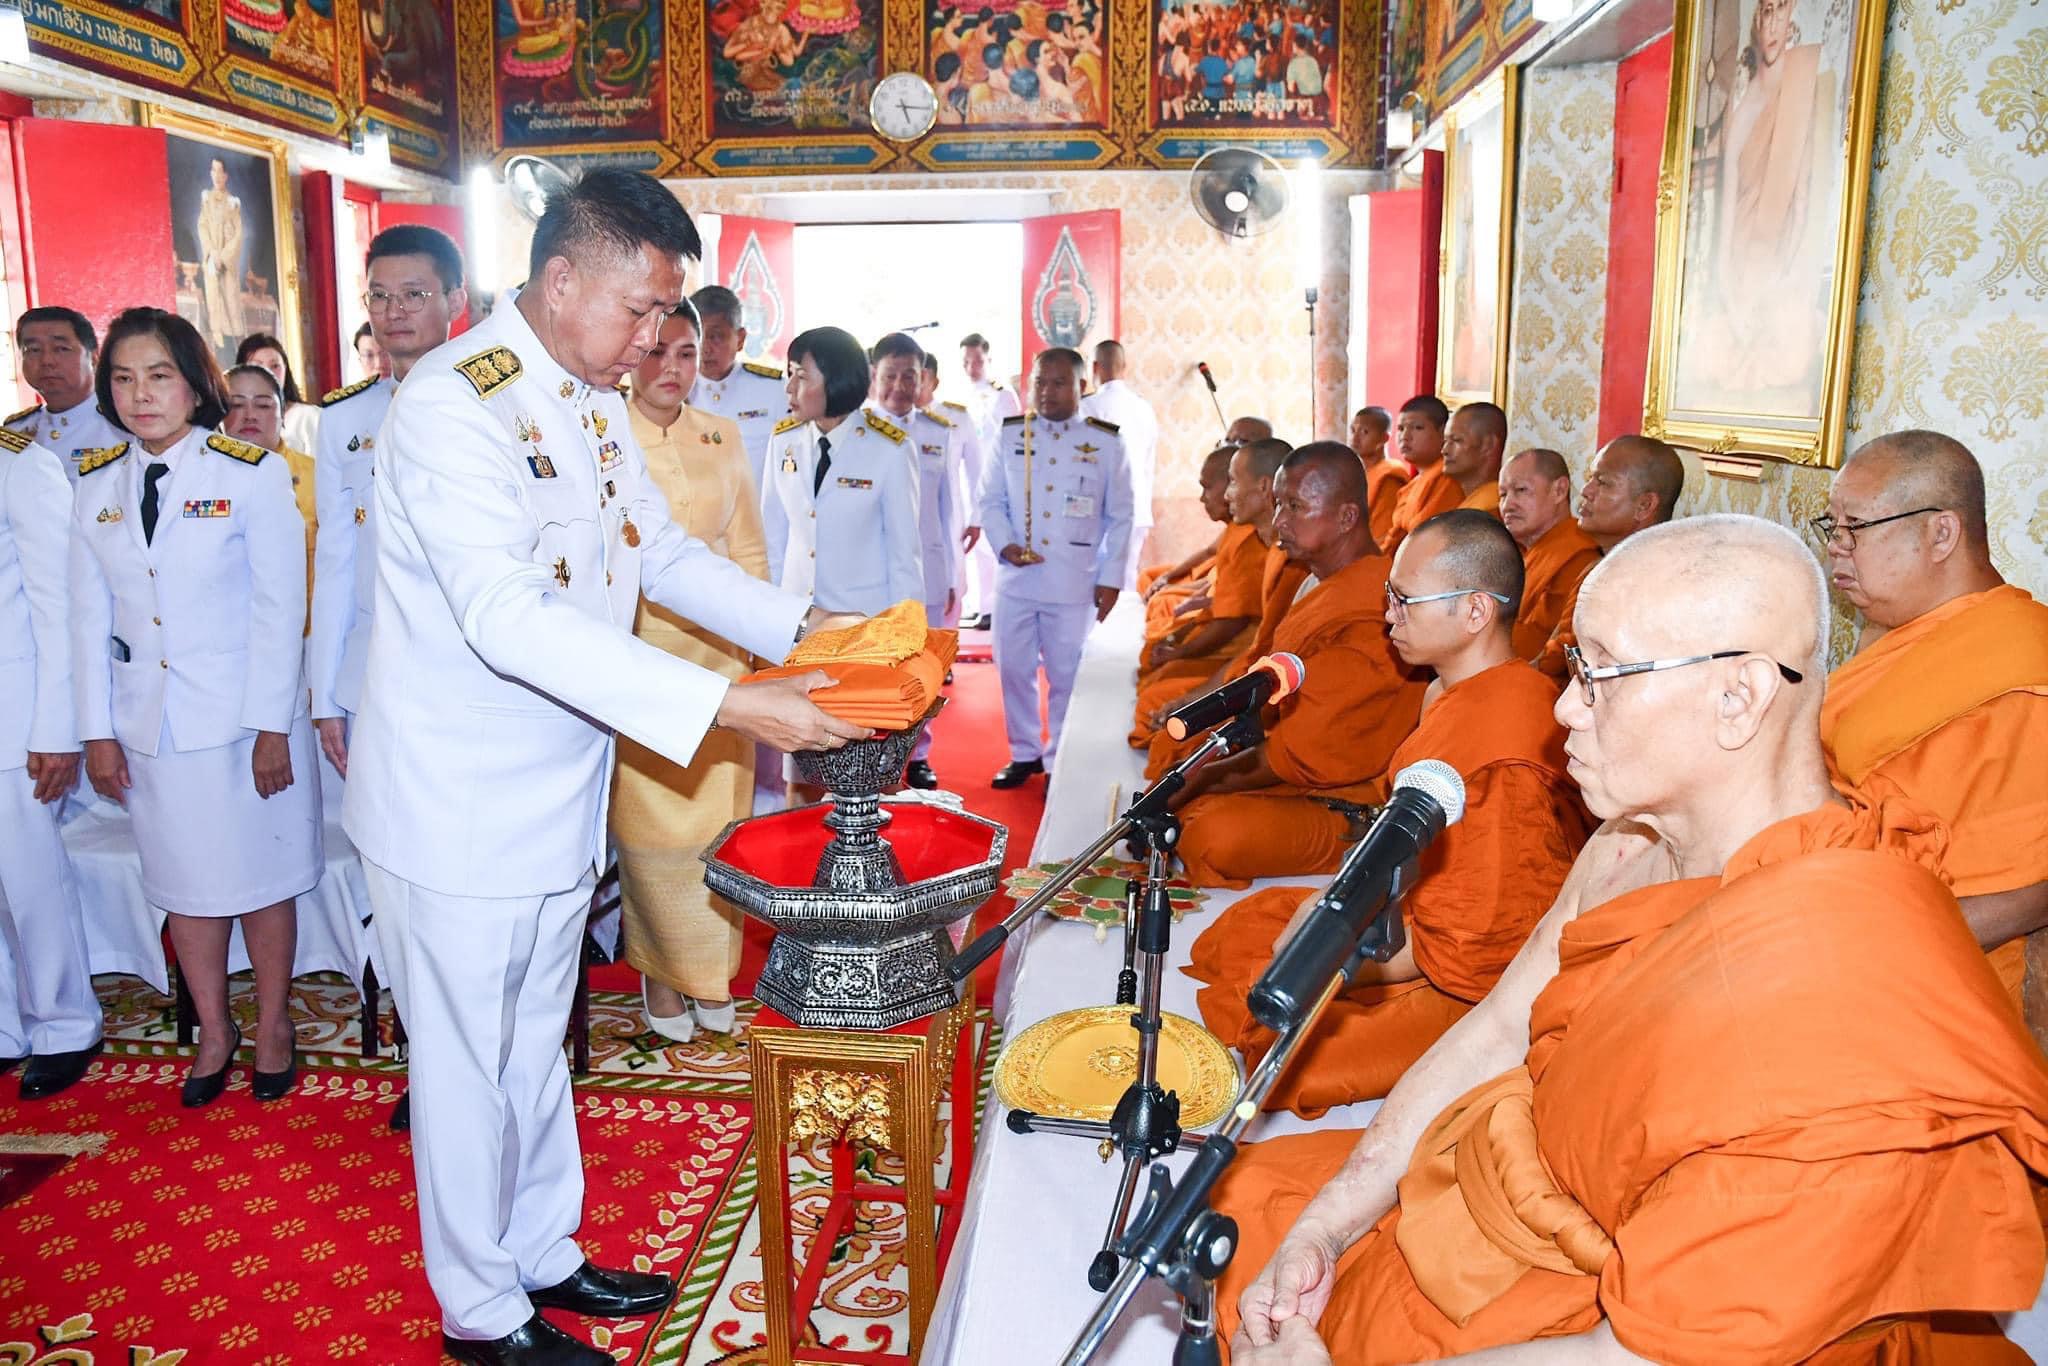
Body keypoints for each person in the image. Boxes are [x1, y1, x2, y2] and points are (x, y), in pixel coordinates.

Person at [1215, 514, 2048, 1364]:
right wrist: (1333, 1216)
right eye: (1575, 666)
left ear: (1741, 696)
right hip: (1520, 1186)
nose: (1566, 706)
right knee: (1250, 1206)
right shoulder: (1632, 840)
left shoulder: (1847, 1011)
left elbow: (1647, 1355)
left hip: (1647, 1314)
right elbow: (1502, 1028)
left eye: (1602, 671)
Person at [342, 169, 867, 1364]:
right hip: (457, 808)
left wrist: (806, 633)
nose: (652, 340)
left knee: (535, 1038)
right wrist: (727, 699)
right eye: (639, 311)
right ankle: (482, 1312)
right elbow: (507, 614)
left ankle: (542, 1252)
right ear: (562, 278)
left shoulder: (581, 396)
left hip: (553, 792)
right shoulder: (453, 405)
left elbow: (661, 551)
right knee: (468, 1065)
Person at [1185, 509, 1588, 1116]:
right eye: (1388, 596)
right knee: (1244, 935)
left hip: (1477, 979)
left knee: (1282, 1060)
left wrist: (1355, 962)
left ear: (1474, 611)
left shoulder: (1515, 738)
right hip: (1417, 915)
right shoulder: (1442, 692)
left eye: (1405, 600)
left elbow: (1490, 936)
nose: (1389, 616)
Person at [72, 308, 318, 1110]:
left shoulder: (248, 472)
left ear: (193, 382)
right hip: (148, 727)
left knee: (260, 880)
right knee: (184, 887)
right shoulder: (94, 482)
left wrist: (273, 725)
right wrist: (96, 731)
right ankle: (216, 1030)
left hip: (242, 725)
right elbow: (86, 622)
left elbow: (281, 609)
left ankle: (274, 1024)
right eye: (123, 379)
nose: (141, 396)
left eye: (159, 376)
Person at [1817, 430, 2048, 1016]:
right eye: (1832, 528)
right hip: (1830, 889)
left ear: (1941, 532)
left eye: (1856, 529)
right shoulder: (1895, 627)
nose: (1836, 550)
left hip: (1922, 963)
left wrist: (1841, 944)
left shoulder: (2025, 671)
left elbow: (2027, 894)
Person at [1163, 443, 1426, 886]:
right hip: (1293, 757)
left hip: (1349, 794)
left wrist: (1201, 779)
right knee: (1177, 758)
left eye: (1296, 507)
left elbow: (1313, 747)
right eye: (1279, 504)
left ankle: (1354, 842)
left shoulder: (1375, 606)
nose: (1280, 520)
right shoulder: (1313, 578)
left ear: (1346, 517)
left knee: (1208, 834)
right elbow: (1265, 671)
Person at [614, 297, 766, 1043]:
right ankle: (659, 976)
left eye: (685, 353)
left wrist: (764, 660)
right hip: (636, 663)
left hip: (723, 670)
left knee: (718, 832)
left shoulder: (723, 434)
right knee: (652, 840)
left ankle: (713, 977)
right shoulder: (604, 434)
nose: (671, 369)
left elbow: (749, 553)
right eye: (656, 352)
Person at [310, 224, 468, 804]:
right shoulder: (344, 420)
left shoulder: (495, 405)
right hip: (373, 673)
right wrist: (326, 694)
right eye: (379, 296)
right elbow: (335, 565)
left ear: (456, 301)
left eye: (414, 294)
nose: (394, 311)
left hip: (468, 671)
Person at [0, 423, 100, 1099]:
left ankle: (64, 1024)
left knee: (30, 886)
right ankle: (6, 1027)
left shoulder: (21, 467)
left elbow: (58, 605)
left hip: (15, 714)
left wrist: (58, 728)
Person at [978, 346, 1132, 788]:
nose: (1046, 392)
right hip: (1017, 578)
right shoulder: (1010, 434)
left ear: (1082, 387)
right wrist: (1004, 545)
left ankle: (1058, 759)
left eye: (1058, 382)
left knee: (1067, 674)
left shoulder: (1105, 441)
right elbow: (991, 500)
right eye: (1039, 382)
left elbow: (1121, 513)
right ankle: (1024, 752)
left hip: (1072, 580)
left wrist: (1111, 578)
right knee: (1012, 668)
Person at [1131, 439, 1288, 747]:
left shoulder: (1290, 562)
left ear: (1265, 486)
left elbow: (1254, 642)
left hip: (1260, 678)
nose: (1228, 494)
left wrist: (1198, 694)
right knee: (1157, 688)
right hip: (1248, 665)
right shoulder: (1272, 550)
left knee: (1159, 711)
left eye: (1233, 482)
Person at [760, 327, 923, 617]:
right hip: (794, 622)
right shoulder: (783, 441)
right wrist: (765, 617)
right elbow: (772, 538)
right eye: (789, 374)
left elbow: (904, 559)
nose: (788, 388)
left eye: (801, 376)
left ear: (836, 380)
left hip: (861, 625)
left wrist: (905, 636)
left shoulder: (889, 450)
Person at [1536, 434, 1684, 674]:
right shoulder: (1601, 567)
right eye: (1590, 479)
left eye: (1603, 483)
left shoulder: (1642, 582)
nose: (1586, 491)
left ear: (1645, 506)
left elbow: (1554, 669)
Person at [222, 364, 316, 631]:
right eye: (236, 405)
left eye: (263, 405)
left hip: (307, 633)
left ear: (283, 414)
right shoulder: (200, 482)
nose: (250, 416)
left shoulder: (318, 478)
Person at [1498, 447, 1600, 673]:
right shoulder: (1524, 553)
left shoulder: (1579, 554)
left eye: (1521, 490)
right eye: (1503, 495)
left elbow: (1560, 655)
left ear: (1559, 490)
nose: (1508, 505)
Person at [687, 285, 788, 490]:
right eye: (698, 336)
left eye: (716, 336)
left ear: (740, 339)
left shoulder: (774, 391)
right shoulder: (673, 393)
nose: (705, 347)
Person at [7, 307, 126, 481]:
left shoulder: (122, 423)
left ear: (93, 357)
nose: (47, 361)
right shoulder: (15, 431)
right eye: (33, 350)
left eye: (61, 349)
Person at [1080, 339, 1160, 587]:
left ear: (1094, 368)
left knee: (1095, 582)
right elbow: (1149, 462)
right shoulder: (1144, 408)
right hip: (1137, 506)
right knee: (1126, 579)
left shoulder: (1088, 406)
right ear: (1124, 366)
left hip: (1100, 510)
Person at [956, 331, 1021, 629]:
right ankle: (980, 606)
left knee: (991, 544)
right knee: (971, 545)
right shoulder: (959, 396)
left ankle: (995, 608)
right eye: (967, 361)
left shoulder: (1003, 394)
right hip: (966, 477)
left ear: (988, 359)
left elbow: (1012, 439)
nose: (973, 367)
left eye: (978, 360)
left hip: (995, 479)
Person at [1381, 395, 1459, 554]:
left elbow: (1428, 541)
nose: (1405, 436)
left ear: (1443, 432)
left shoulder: (1447, 478)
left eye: (1417, 428)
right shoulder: (1413, 485)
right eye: (1401, 429)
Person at [236, 333, 321, 456]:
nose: (268, 373)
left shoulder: (309, 417)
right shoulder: (231, 422)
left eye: (275, 366)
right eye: (257, 366)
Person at [198, 158, 246, 349]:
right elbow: (202, 226)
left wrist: (224, 257)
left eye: (220, 171)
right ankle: (216, 347)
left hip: (226, 262)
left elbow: (238, 233)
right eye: (214, 171)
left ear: (226, 176)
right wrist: (211, 252)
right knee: (214, 302)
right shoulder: (207, 200)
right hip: (212, 259)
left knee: (231, 303)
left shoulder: (233, 203)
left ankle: (235, 346)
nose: (217, 176)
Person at [1348, 405, 1406, 547]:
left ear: (1384, 438)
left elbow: (1382, 534)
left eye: (1364, 432)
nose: (1355, 438)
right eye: (1353, 431)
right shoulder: (1357, 474)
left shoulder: (1389, 476)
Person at [1441, 400, 1505, 514]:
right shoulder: (1471, 504)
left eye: (1456, 440)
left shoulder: (1492, 509)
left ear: (1488, 445)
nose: (1444, 450)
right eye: (1445, 441)